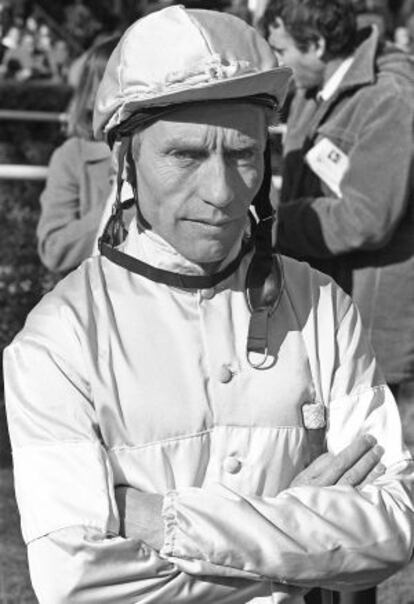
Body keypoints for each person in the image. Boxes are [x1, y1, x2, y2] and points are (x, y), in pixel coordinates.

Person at [4, 6, 414, 604]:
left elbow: (391, 530)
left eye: (243, 154)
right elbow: (77, 580)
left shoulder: (322, 305)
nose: (222, 193)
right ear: (126, 160)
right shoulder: (57, 340)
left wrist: (152, 518)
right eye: (186, 156)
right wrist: (296, 539)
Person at [262, 0, 414, 433]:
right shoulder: (316, 90)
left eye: (282, 51)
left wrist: (269, 226)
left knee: (386, 474)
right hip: (328, 312)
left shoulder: (390, 99)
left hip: (378, 330)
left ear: (318, 44)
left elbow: (364, 216)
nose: (278, 63)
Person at [36, 35, 119, 274]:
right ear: (91, 95)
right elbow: (54, 250)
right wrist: (120, 205)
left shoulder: (170, 154)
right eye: (113, 82)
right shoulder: (74, 156)